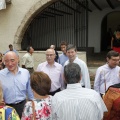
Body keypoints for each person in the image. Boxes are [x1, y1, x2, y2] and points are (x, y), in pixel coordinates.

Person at [0, 51, 34, 118]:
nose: (10, 64)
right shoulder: (0, 74)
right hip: (7, 108)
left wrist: (32, 104)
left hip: (23, 106)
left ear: (18, 59)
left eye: (12, 60)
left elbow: (29, 91)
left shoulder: (25, 73)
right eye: (6, 61)